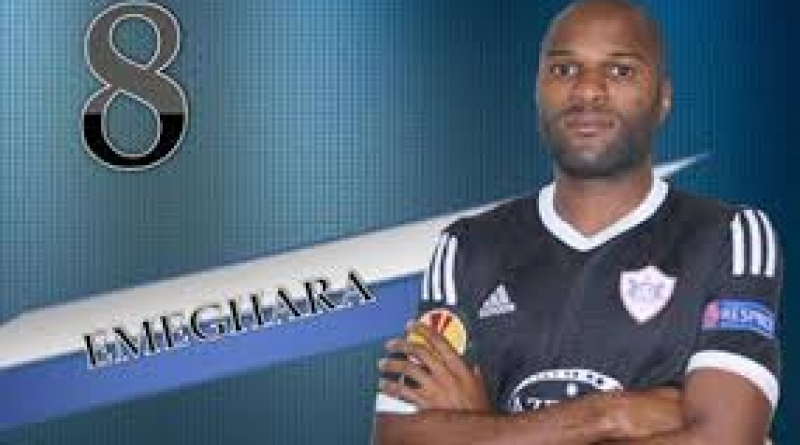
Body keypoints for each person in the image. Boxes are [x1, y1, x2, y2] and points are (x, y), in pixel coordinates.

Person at [372, 0, 783, 444]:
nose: (588, 91)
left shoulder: (728, 237)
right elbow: (398, 437)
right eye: (564, 70)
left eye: (620, 71)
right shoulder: (467, 249)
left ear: (663, 98)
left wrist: (487, 426)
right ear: (538, 90)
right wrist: (606, 415)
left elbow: (725, 438)